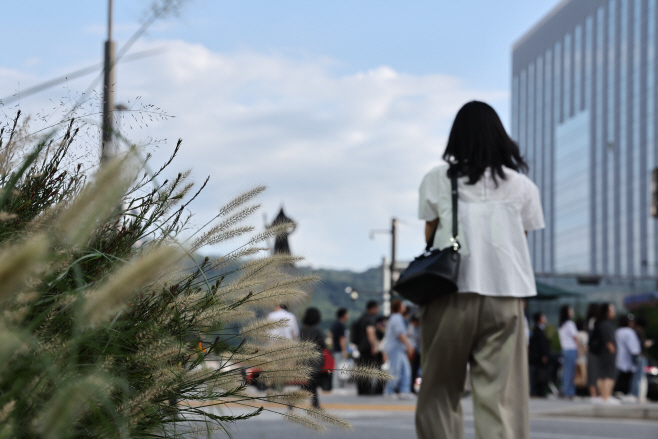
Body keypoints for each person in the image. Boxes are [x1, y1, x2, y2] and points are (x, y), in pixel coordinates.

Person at [414, 101, 545, 439]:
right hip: (505, 296)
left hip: (450, 293)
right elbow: (522, 238)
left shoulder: (437, 178)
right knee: (501, 397)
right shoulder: (522, 186)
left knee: (440, 390)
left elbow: (431, 234)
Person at [384, 299, 415, 399]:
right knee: (395, 370)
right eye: (403, 306)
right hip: (395, 348)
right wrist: (408, 345)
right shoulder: (397, 318)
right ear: (399, 307)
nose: (404, 307)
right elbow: (399, 334)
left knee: (405, 370)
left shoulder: (396, 318)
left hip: (398, 348)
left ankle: (404, 391)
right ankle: (389, 391)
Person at [299, 307, 326, 409]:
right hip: (315, 361)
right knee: (313, 384)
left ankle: (314, 403)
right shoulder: (317, 330)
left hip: (303, 359)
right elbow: (323, 345)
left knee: (305, 384)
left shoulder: (302, 329)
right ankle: (315, 404)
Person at [592, 303, 618, 404]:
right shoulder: (606, 324)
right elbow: (608, 341)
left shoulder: (599, 323)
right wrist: (613, 351)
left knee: (602, 376)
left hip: (601, 353)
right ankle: (606, 397)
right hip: (607, 354)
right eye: (612, 310)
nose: (614, 312)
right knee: (609, 376)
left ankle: (603, 397)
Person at [352, 300, 380, 395]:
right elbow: (370, 332)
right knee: (368, 368)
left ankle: (361, 389)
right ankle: (367, 389)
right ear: (372, 308)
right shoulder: (370, 319)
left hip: (360, 347)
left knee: (361, 368)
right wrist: (374, 346)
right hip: (368, 347)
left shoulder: (361, 318)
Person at [614, 314, 641, 397]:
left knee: (619, 380)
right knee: (628, 381)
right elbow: (634, 349)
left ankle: (618, 393)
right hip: (628, 361)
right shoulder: (630, 332)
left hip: (617, 360)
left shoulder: (617, 331)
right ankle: (629, 395)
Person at [558, 305, 578, 399]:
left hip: (565, 349)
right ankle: (569, 391)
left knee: (566, 371)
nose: (572, 312)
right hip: (571, 349)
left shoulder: (561, 324)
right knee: (570, 372)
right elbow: (575, 337)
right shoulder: (570, 323)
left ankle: (566, 390)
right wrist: (580, 349)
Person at [529, 312, 551, 398]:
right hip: (538, 357)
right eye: (543, 317)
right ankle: (536, 392)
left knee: (537, 374)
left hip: (537, 357)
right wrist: (544, 355)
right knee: (537, 375)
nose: (545, 318)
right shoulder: (537, 330)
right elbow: (541, 344)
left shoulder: (538, 329)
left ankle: (538, 392)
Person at [329, 308, 349, 389]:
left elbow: (330, 335)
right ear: (343, 315)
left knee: (335, 367)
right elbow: (342, 339)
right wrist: (344, 350)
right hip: (339, 349)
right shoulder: (341, 325)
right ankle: (336, 385)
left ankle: (335, 384)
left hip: (335, 348)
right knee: (337, 367)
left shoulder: (335, 324)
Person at [585, 303, 600, 401]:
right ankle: (594, 395)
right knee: (594, 374)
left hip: (592, 351)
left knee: (593, 374)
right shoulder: (594, 321)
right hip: (594, 351)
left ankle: (594, 395)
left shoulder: (590, 321)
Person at [407, 314, 421, 393]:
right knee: (413, 370)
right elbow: (409, 339)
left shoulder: (421, 326)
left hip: (421, 351)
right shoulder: (411, 327)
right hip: (414, 351)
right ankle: (411, 388)